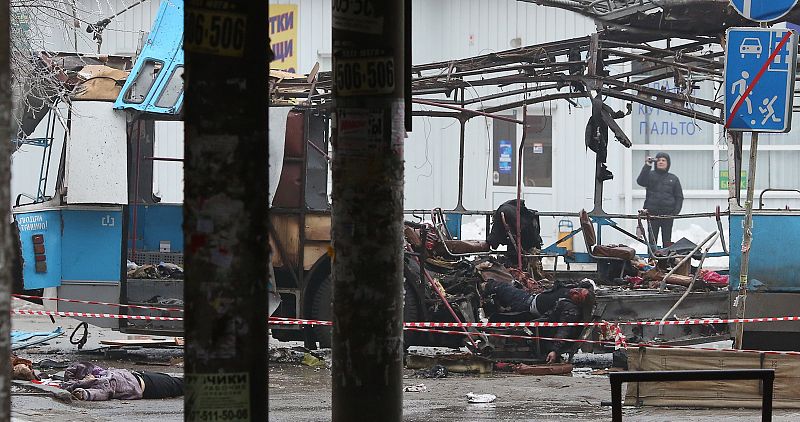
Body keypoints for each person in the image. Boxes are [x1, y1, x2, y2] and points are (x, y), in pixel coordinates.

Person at [482, 280, 594, 364]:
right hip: (531, 299)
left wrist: (554, 351)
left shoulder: (570, 310)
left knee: (500, 287)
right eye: (579, 289)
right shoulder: (570, 295)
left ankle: (483, 288)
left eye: (578, 295)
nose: (575, 291)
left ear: (579, 303)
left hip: (526, 304)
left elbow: (563, 330)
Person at [63, 362, 184, 401]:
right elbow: (97, 394)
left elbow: (80, 366)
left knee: (174, 380)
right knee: (179, 385)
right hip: (147, 386)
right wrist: (84, 393)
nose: (89, 376)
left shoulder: (98, 373)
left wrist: (77, 378)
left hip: (140, 375)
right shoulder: (103, 385)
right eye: (86, 378)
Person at [636, 152, 683, 246]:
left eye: (663, 160)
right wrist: (647, 165)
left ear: (668, 163)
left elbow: (679, 197)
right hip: (652, 214)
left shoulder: (673, 178)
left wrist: (675, 212)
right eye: (659, 160)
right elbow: (640, 181)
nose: (661, 162)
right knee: (652, 241)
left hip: (668, 215)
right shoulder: (650, 175)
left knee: (667, 241)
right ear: (655, 162)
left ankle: (665, 256)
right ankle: (652, 255)